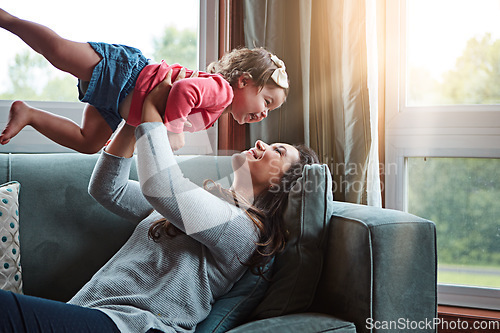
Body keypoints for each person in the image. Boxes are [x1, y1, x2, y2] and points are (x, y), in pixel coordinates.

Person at [0, 69, 318, 332]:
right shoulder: (205, 205)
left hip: (136, 326)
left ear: (282, 183)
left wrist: (151, 108)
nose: (261, 141)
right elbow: (108, 189)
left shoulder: (242, 231)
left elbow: (161, 188)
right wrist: (135, 116)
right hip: (94, 315)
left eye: (278, 151)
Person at [0, 8, 289, 153]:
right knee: (60, 52)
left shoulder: (215, 112)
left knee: (89, 143)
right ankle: (7, 19)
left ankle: (29, 114)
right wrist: (175, 130)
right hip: (128, 75)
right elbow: (184, 90)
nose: (263, 113)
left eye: (269, 111)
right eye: (266, 101)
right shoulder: (221, 91)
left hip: (120, 106)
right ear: (243, 82)